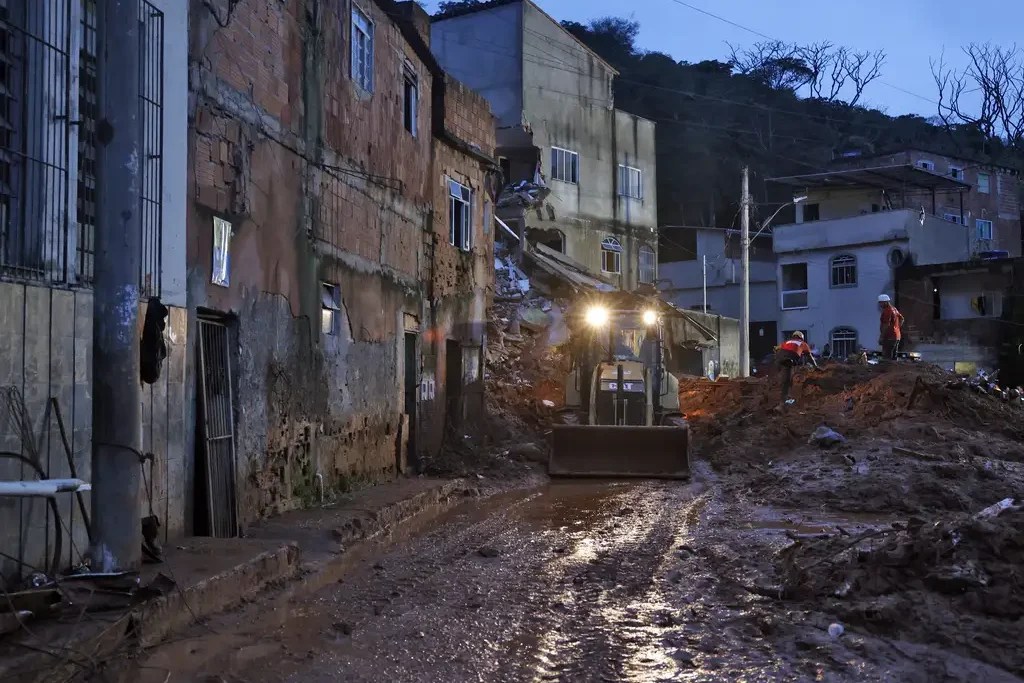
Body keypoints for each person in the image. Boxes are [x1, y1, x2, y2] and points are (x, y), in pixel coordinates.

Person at [775, 331, 818, 404]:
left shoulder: (787, 342)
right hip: (789, 359)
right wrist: (815, 366)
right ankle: (784, 402)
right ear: (801, 338)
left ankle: (783, 395)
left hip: (779, 357)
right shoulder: (803, 343)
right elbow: (810, 357)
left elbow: (777, 348)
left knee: (784, 377)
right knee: (787, 381)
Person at [878, 294, 905, 360]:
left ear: (885, 302)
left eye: (881, 303)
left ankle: (888, 370)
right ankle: (894, 369)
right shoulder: (894, 309)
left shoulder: (887, 311)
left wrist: (881, 337)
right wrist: (897, 328)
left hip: (889, 337)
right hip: (896, 336)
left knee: (887, 357)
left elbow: (886, 325)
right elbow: (902, 319)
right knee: (894, 356)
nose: (880, 305)